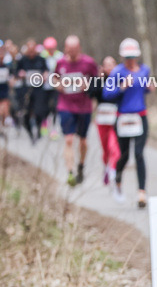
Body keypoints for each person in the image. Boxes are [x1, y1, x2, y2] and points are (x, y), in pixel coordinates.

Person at [103, 38, 151, 207]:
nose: (130, 60)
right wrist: (122, 87)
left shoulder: (145, 70)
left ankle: (141, 193)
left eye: (133, 56)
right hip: (123, 118)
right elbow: (106, 94)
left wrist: (149, 88)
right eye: (127, 57)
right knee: (124, 155)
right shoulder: (117, 72)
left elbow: (143, 89)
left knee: (139, 154)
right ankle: (117, 178)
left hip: (140, 117)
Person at [53, 36, 99, 186]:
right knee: (68, 139)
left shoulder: (88, 63)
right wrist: (57, 84)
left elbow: (98, 82)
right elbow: (55, 78)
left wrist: (88, 86)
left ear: (79, 48)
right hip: (65, 105)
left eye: (74, 49)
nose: (71, 52)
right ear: (65, 48)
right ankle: (70, 172)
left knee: (83, 141)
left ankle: (81, 165)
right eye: (68, 49)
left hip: (84, 107)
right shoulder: (60, 63)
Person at [91, 56, 121, 185]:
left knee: (114, 147)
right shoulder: (98, 81)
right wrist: (98, 77)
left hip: (116, 119)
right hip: (102, 119)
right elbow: (91, 93)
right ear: (102, 67)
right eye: (106, 65)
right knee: (105, 150)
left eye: (111, 64)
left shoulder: (121, 80)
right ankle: (106, 167)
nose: (109, 67)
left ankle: (113, 170)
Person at [15, 40, 48, 143]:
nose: (31, 52)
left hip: (38, 90)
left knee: (39, 111)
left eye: (33, 50)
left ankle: (38, 130)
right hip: (26, 91)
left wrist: (44, 76)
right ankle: (30, 133)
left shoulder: (41, 59)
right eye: (29, 50)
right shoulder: (22, 60)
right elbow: (15, 72)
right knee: (25, 114)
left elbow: (46, 71)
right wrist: (20, 74)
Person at [40, 36, 61, 139]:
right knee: (45, 107)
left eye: (52, 48)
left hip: (55, 86)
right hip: (44, 86)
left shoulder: (60, 56)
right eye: (48, 48)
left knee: (55, 107)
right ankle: (44, 123)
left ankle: (54, 129)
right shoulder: (42, 56)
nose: (50, 50)